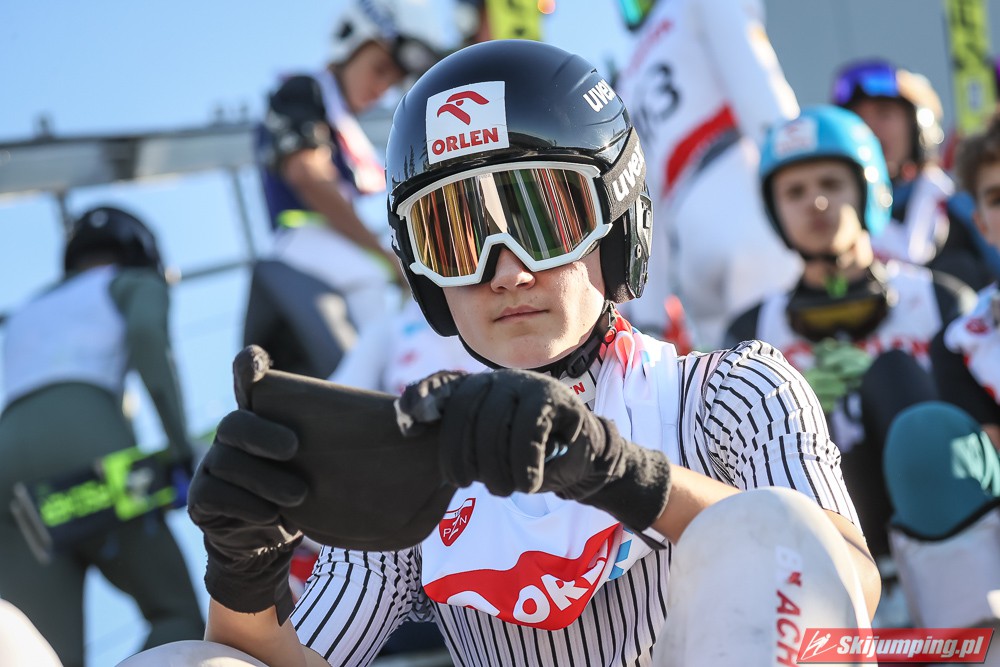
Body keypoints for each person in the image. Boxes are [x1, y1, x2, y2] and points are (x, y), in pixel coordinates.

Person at [136, 40, 878, 667]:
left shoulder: (731, 389)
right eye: (457, 237)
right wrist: (242, 571)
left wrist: (618, 472)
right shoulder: (420, 467)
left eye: (542, 218)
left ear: (616, 225)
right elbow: (280, 663)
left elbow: (842, 581)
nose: (506, 272)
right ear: (425, 277)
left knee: (769, 526)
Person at [724, 105, 976, 563]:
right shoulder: (750, 332)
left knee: (894, 374)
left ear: (868, 190)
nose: (816, 203)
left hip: (949, 538)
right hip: (827, 554)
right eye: (795, 191)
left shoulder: (942, 301)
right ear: (775, 211)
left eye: (831, 184)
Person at [0, 206, 204, 667]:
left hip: (6, 458)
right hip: (87, 441)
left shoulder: (27, 308)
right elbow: (147, 334)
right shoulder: (134, 282)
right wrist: (180, 450)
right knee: (177, 615)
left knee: (37, 649)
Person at [244, 0, 442, 379]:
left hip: (329, 245)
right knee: (372, 280)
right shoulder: (303, 91)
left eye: (392, 81)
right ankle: (372, 396)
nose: (381, 88)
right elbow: (308, 176)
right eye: (379, 69)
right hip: (302, 240)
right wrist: (387, 258)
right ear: (351, 41)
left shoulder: (339, 118)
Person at [612, 0, 802, 349]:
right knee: (789, 359)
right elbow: (755, 80)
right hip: (741, 202)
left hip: (687, 244)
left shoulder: (628, 75)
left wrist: (649, 316)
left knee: (729, 375)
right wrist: (802, 170)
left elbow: (641, 199)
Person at [832, 58, 994, 290]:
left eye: (884, 113)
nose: (869, 128)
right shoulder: (836, 217)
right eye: (857, 118)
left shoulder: (959, 203)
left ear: (918, 126)